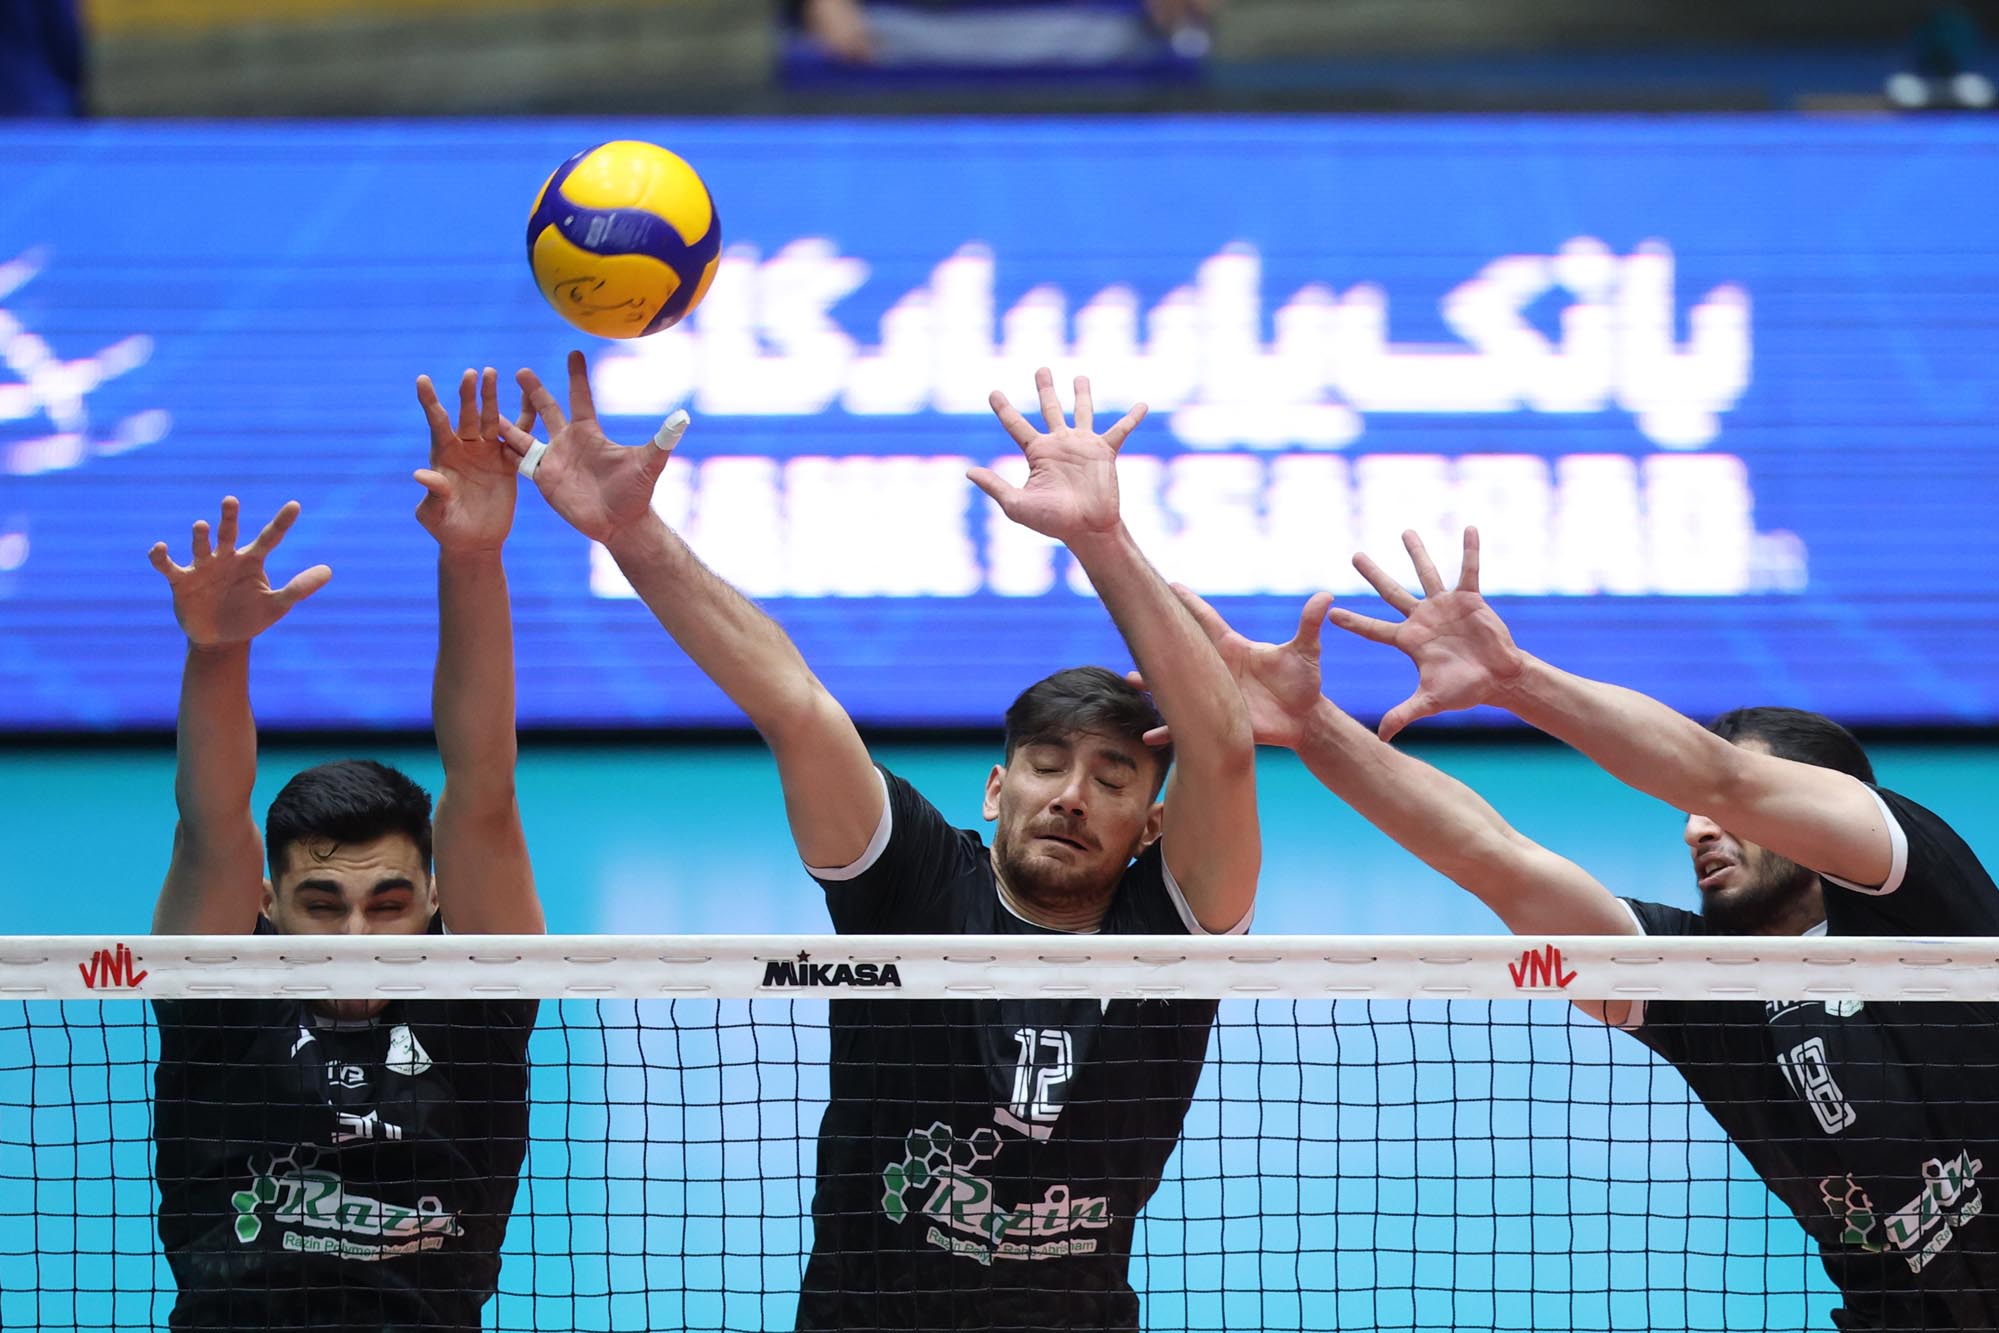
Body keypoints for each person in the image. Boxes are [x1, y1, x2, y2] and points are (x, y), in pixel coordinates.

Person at [502, 353, 1259, 1331]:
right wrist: (629, 532)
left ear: (1152, 823)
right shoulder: (915, 884)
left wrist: (1101, 537)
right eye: (1045, 765)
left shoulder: (1173, 933)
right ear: (996, 789)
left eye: (1112, 780)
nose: (1072, 797)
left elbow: (1221, 747)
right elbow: (793, 702)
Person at [1164, 527, 1999, 1328]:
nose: (1695, 829)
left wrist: (1512, 678)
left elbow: (1723, 778)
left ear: (1827, 804)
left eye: (1727, 814)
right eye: (1688, 815)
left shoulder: (1921, 895)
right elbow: (1494, 859)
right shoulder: (1708, 988)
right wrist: (1310, 726)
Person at [145, 369, 547, 1332]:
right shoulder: (220, 1002)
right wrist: (217, 652)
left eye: (389, 903)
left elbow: (483, 788)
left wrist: (472, 556)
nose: (357, 935)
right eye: (322, 903)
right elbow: (211, 821)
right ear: (267, 906)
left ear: (437, 898)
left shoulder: (476, 1008)